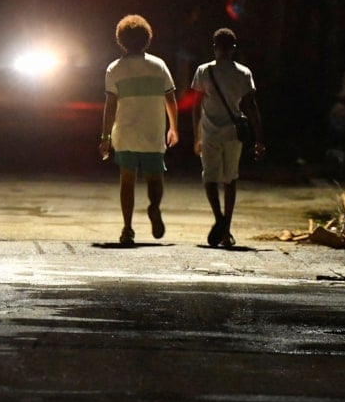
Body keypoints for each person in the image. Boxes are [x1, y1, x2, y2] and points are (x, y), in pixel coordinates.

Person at [99, 14, 180, 246]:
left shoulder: (114, 69)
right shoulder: (158, 65)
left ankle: (127, 228)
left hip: (125, 134)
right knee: (155, 178)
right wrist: (173, 127)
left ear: (120, 40)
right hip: (153, 132)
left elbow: (110, 105)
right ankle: (154, 207)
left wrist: (105, 137)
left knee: (127, 181)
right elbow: (171, 98)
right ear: (147, 39)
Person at [189, 28, 265, 248]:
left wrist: (196, 135)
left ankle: (219, 218)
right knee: (230, 179)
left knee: (209, 178)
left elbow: (195, 106)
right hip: (234, 133)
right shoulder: (243, 73)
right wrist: (259, 139)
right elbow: (251, 107)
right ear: (233, 48)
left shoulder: (203, 71)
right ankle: (226, 230)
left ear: (214, 46)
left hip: (209, 131)